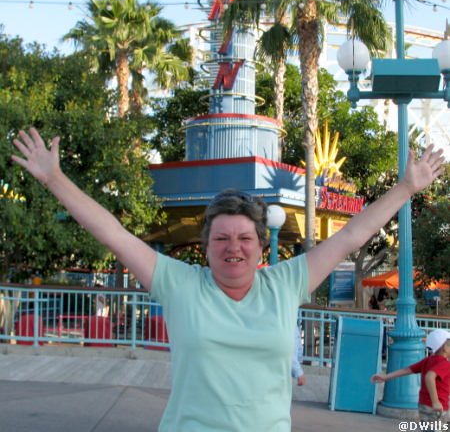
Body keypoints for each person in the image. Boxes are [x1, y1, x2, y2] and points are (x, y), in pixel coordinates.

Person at [11, 127, 445, 431]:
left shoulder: (286, 281)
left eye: (243, 237)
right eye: (221, 237)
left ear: (260, 246)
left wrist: (406, 188)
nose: (232, 247)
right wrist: (55, 179)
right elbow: (115, 235)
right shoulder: (180, 284)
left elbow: (353, 233)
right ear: (205, 245)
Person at [371, 329, 450, 427]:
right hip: (437, 408)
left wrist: (385, 377)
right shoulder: (444, 364)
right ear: (444, 348)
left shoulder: (427, 361)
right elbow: (429, 377)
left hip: (423, 405)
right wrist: (435, 402)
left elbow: (407, 370)